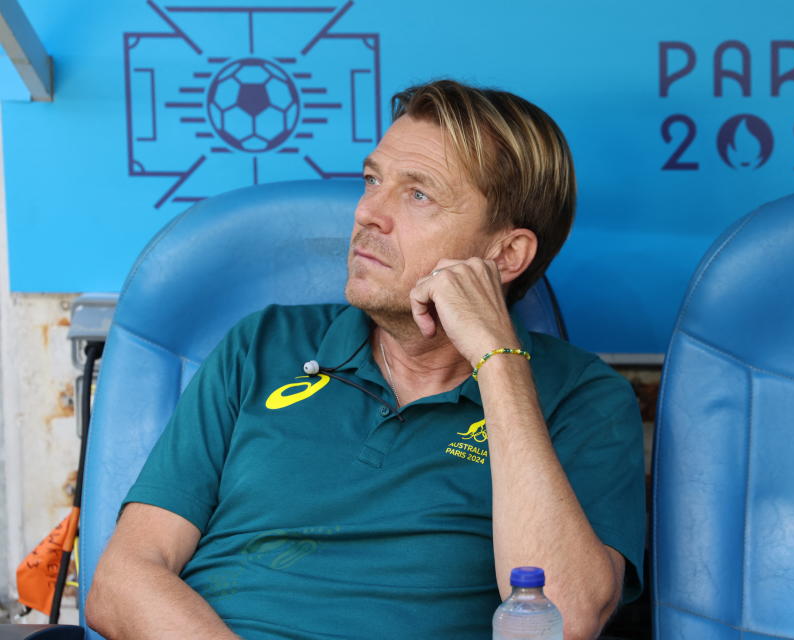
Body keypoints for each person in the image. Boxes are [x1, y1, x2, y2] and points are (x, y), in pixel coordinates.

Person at [86, 79, 646, 640]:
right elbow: (122, 582)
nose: (368, 214)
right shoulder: (261, 345)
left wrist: (498, 364)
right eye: (373, 180)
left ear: (505, 255)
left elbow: (564, 618)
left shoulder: (581, 396)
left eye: (418, 194)